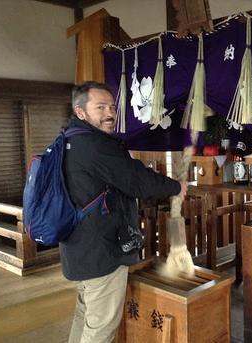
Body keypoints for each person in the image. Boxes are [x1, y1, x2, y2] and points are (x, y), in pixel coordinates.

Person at [60, 81, 187, 343]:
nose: (109, 113)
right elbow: (137, 180)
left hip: (78, 247)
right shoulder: (95, 146)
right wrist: (176, 186)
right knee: (101, 328)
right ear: (80, 111)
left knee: (86, 316)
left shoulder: (68, 139)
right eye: (100, 107)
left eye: (112, 107)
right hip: (100, 250)